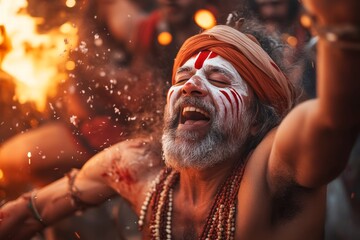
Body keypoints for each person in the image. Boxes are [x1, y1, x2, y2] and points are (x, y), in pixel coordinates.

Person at [1, 0, 360, 239]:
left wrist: (341, 28)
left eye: (219, 79)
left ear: (255, 120)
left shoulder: (272, 169)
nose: (192, 86)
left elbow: (333, 122)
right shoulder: (135, 166)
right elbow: (29, 213)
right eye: (183, 77)